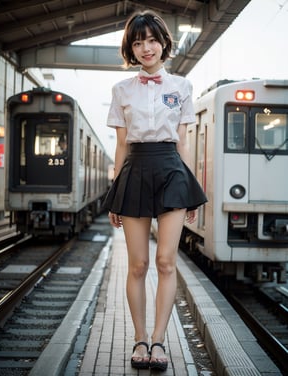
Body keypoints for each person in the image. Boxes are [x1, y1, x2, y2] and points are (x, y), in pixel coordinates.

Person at [103, 10, 207, 372]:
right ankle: (140, 338)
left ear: (163, 42)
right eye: (137, 42)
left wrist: (190, 188)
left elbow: (182, 142)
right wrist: (116, 189)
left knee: (165, 261)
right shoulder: (121, 90)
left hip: (171, 171)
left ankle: (160, 341)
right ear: (131, 49)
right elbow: (119, 146)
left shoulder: (182, 87)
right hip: (135, 168)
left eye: (151, 40)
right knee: (138, 264)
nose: (146, 48)